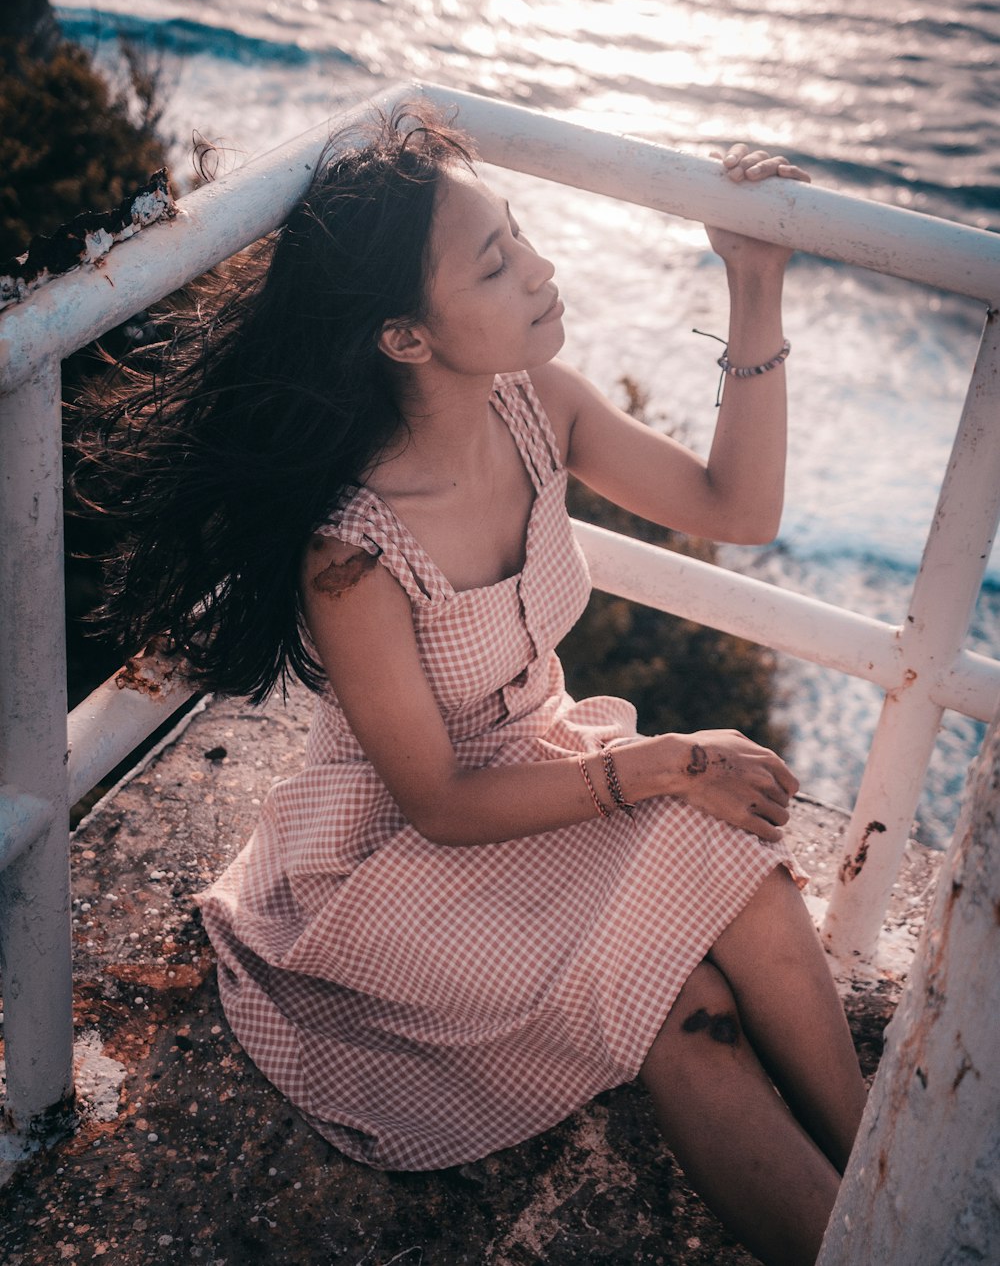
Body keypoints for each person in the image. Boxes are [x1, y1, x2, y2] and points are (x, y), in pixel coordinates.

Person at [78, 103, 867, 1266]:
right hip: (399, 860)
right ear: (405, 336)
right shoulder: (352, 551)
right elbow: (438, 803)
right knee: (683, 1013)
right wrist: (663, 764)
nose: (542, 272)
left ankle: (896, 1178)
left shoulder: (536, 405)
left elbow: (734, 508)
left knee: (743, 882)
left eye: (520, 238)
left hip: (548, 779)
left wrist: (754, 282)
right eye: (496, 263)